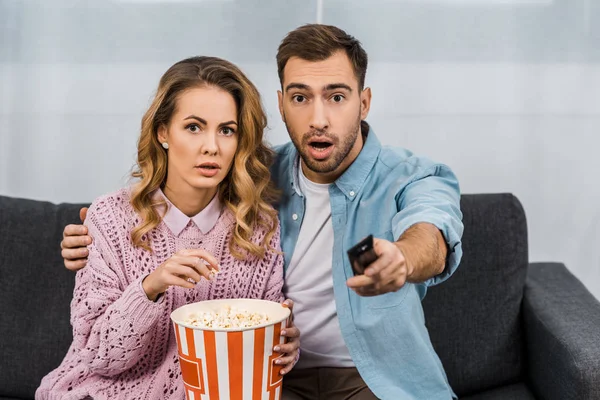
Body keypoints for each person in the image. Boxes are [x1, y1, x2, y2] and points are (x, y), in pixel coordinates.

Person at [61, 25, 464, 400]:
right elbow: (144, 216)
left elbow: (431, 233)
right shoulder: (254, 177)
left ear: (365, 102)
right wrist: (91, 234)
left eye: (337, 97)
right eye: (301, 97)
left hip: (374, 379)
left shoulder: (410, 177)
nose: (318, 118)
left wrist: (402, 260)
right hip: (275, 381)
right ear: (282, 104)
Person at [37, 56, 300, 400]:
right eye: (193, 127)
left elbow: (257, 357)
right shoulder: (109, 218)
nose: (212, 146)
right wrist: (150, 287)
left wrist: (285, 349)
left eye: (227, 130)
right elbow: (100, 357)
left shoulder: (259, 229)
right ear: (163, 132)